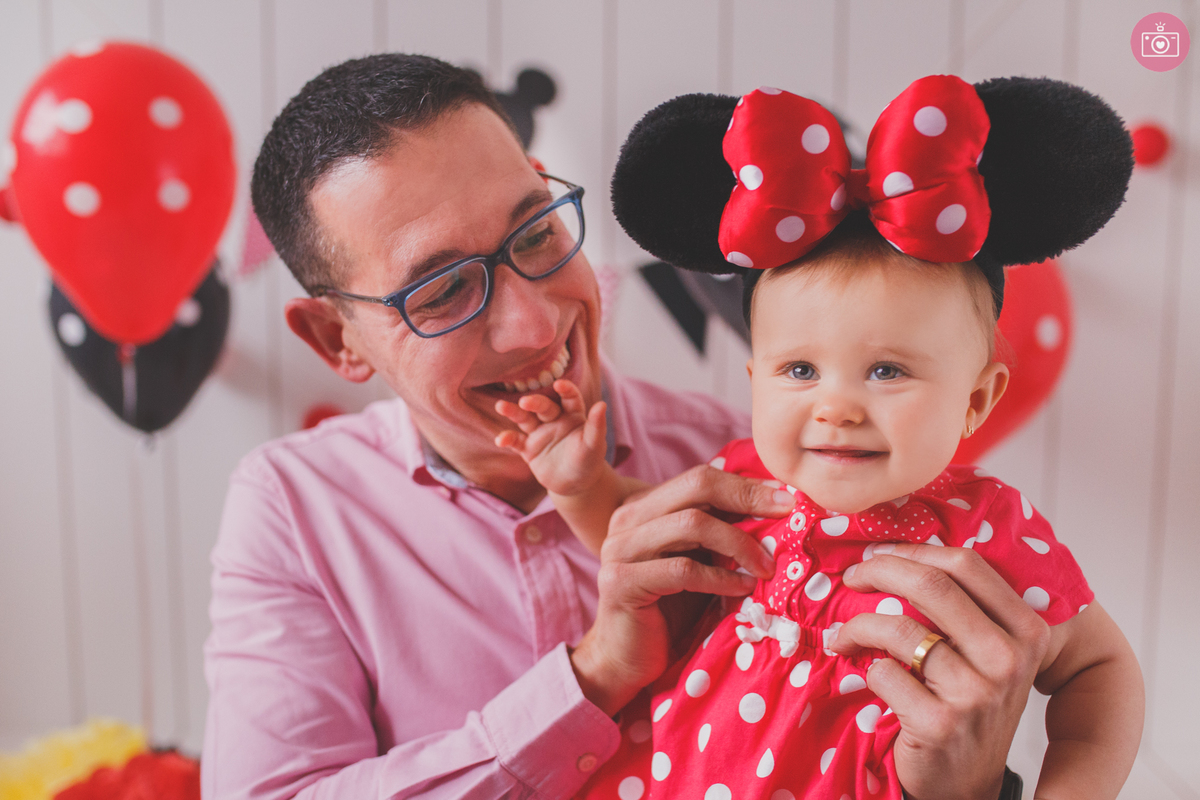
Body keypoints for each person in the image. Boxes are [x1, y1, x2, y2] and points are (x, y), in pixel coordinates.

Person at [203, 55, 1052, 800]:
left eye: (535, 232)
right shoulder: (293, 507)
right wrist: (595, 679)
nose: (536, 325)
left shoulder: (765, 470)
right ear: (337, 340)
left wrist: (967, 786)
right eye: (441, 291)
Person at [495, 76, 1144, 800]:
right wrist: (583, 486)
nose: (835, 407)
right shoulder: (747, 485)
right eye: (800, 369)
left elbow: (1101, 671)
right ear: (754, 379)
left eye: (887, 370)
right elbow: (644, 539)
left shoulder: (988, 532)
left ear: (976, 399)